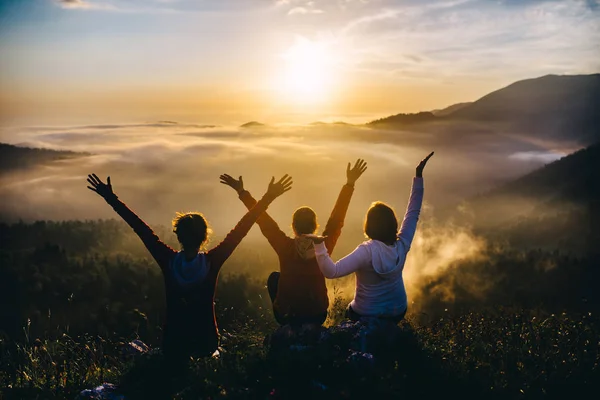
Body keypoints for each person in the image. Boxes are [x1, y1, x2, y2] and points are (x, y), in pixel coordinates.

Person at [86, 173, 293, 364]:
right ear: (205, 237)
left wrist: (111, 198)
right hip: (206, 344)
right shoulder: (212, 262)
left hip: (173, 346)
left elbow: (140, 228)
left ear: (177, 236)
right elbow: (243, 227)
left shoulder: (167, 260)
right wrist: (267, 197)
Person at [219, 159, 367, 326]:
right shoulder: (323, 246)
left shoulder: (284, 246)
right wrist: (349, 184)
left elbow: (263, 221)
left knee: (275, 278)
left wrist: (242, 192)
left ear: (293, 227)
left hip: (287, 315)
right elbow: (336, 220)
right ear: (315, 226)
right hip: (317, 315)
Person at [308, 152, 434, 323]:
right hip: (397, 311)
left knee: (348, 312)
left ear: (369, 225)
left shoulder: (366, 252)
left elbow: (332, 272)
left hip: (365, 313)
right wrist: (418, 177)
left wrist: (319, 247)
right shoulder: (402, 244)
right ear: (392, 223)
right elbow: (413, 213)